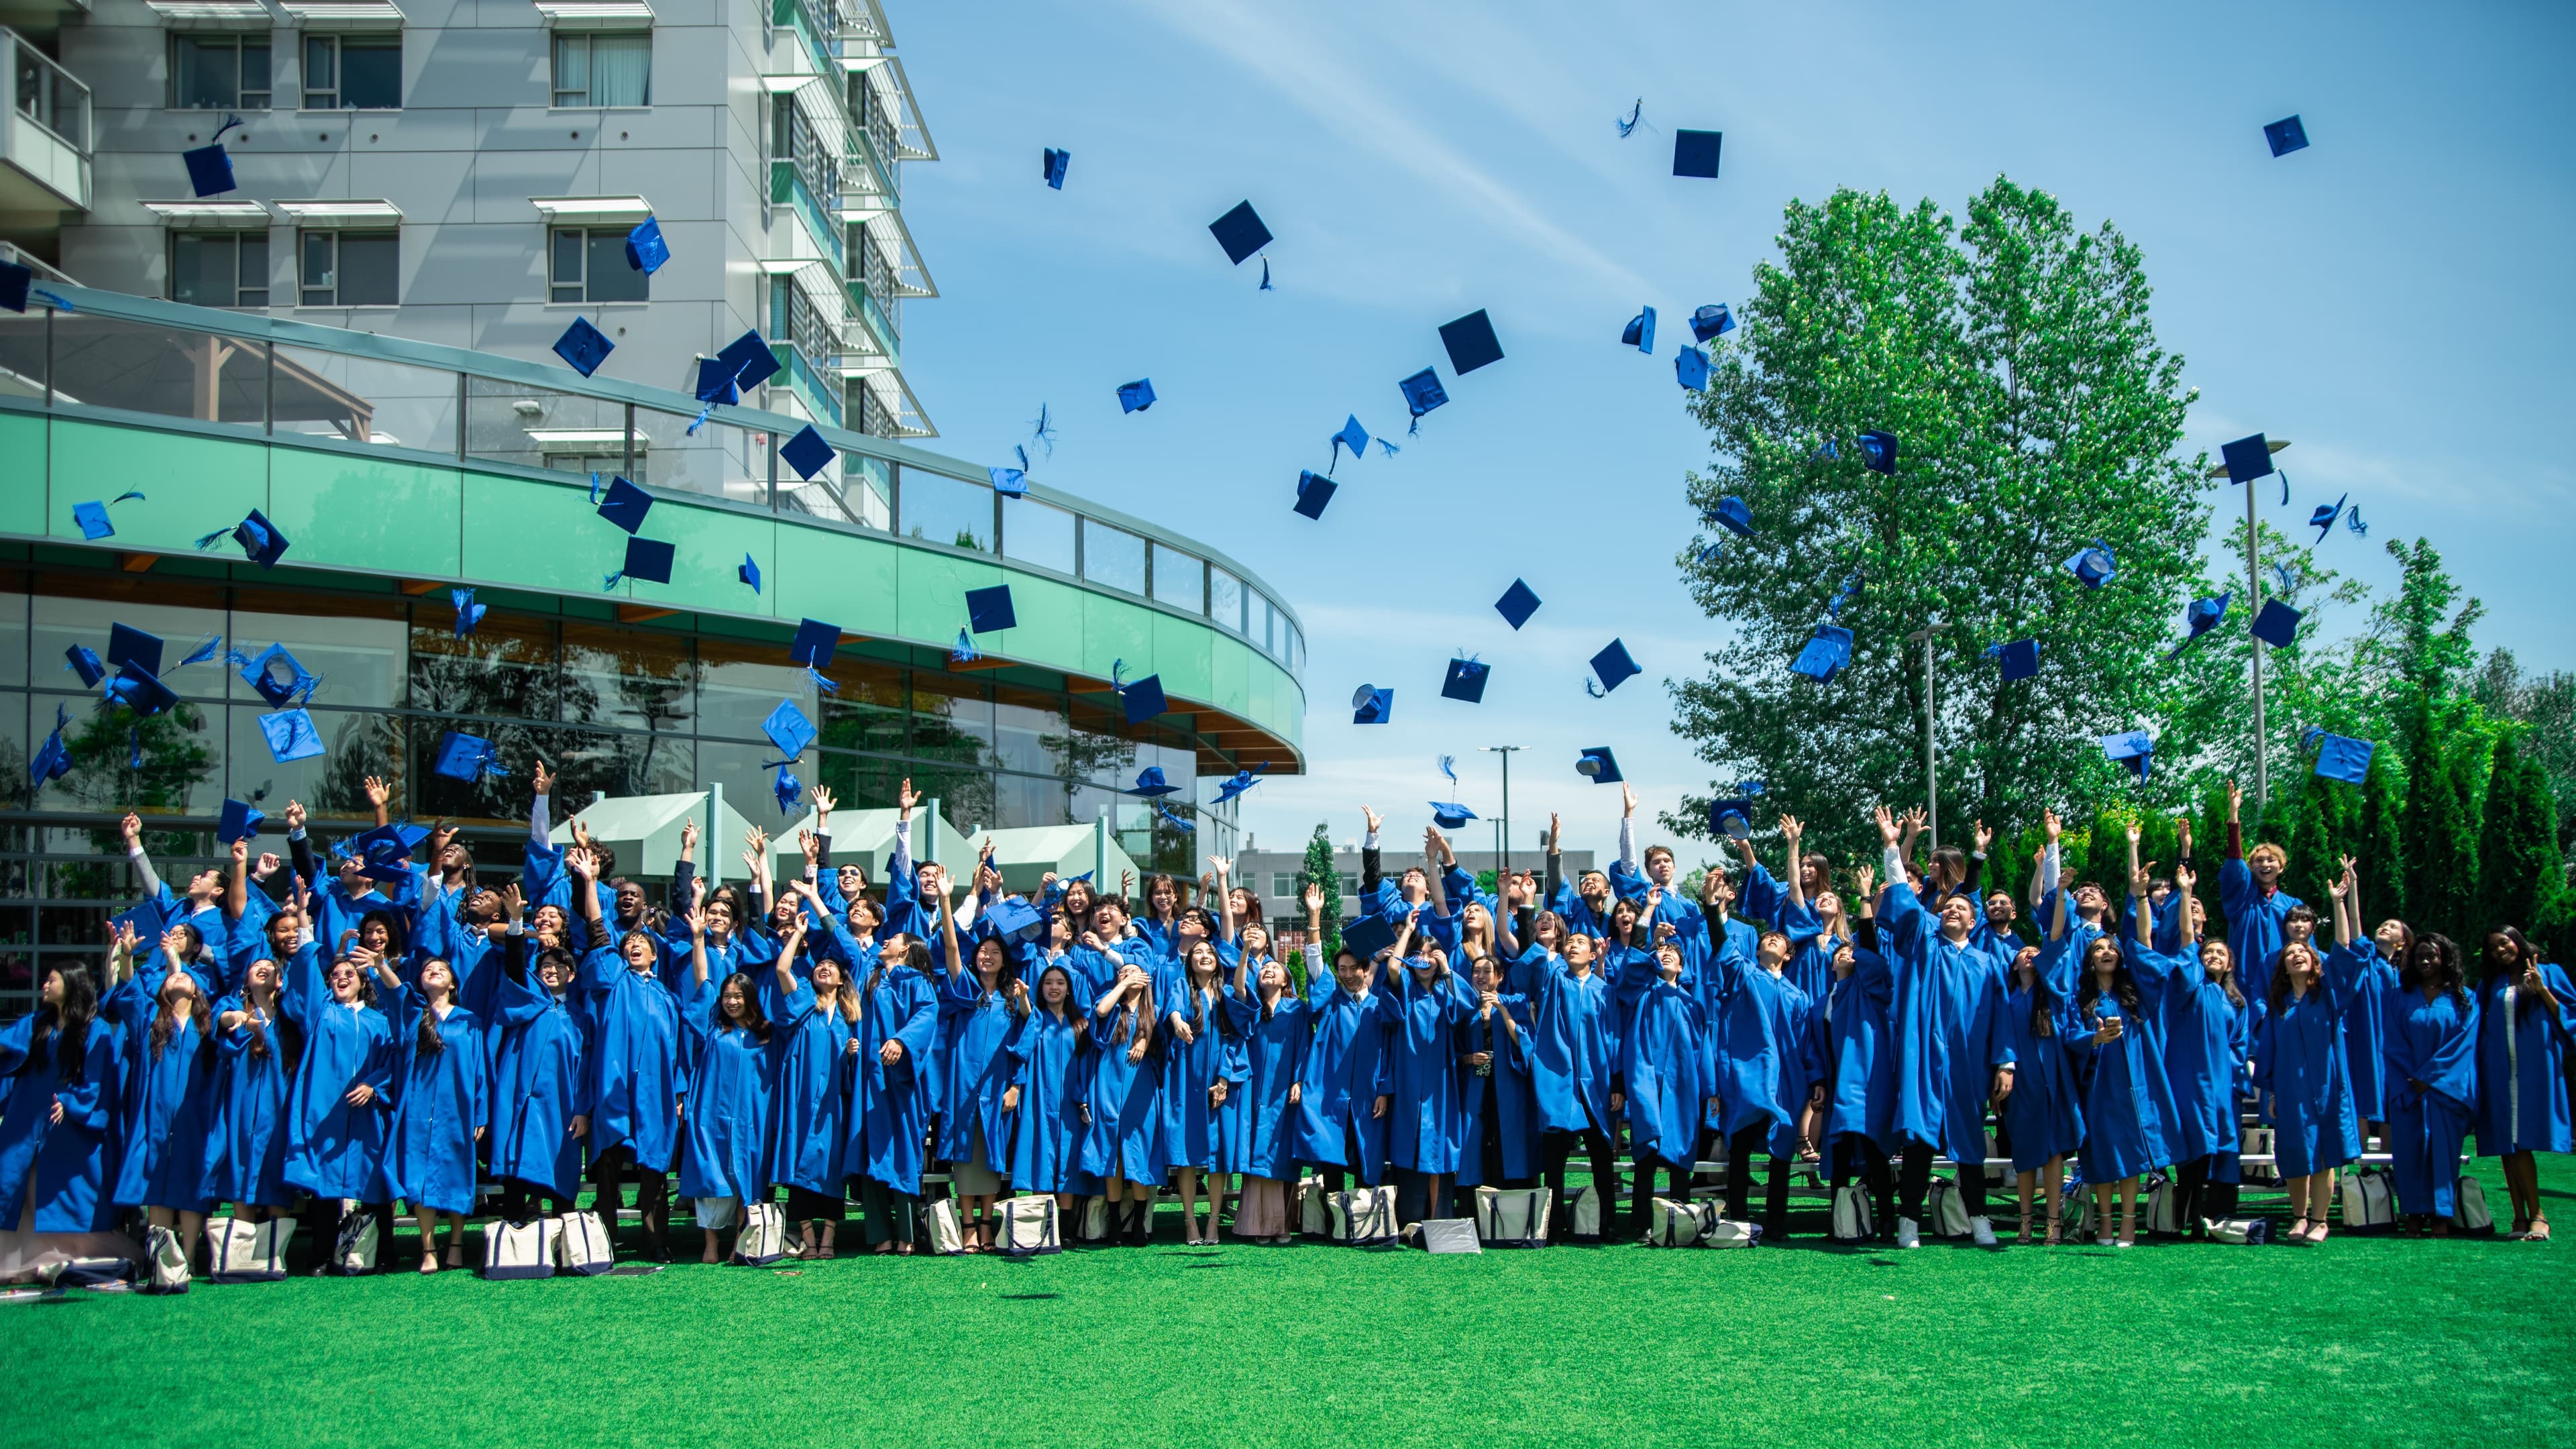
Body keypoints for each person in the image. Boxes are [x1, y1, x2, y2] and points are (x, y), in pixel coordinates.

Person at [1871, 806, 2008, 1248]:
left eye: (1961, 908)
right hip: (1925, 1056)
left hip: (1967, 1063)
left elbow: (2003, 1018)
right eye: (1947, 906)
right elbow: (1904, 899)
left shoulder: (1987, 964)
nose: (1952, 910)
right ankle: (1910, 1221)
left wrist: (2005, 1063)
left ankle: (1981, 1220)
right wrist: (1893, 846)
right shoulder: (1924, 943)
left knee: (1969, 1143)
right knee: (1919, 1137)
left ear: (1974, 920)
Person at [572, 847, 685, 1260]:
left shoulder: (667, 998)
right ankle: (604, 1241)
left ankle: (656, 1241)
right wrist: (589, 881)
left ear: (656, 953)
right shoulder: (612, 979)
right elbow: (599, 929)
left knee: (655, 1166)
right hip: (614, 1088)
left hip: (655, 1091)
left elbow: (676, 1053)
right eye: (631, 942)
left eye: (643, 942)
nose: (635, 945)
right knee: (606, 1166)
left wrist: (678, 1093)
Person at [2257, 859, 2369, 1245]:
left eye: (2303, 953)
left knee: (2323, 1153)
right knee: (2295, 1152)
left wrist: (2339, 902)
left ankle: (2321, 1220)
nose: (2297, 955)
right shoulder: (2280, 1005)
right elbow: (2268, 1052)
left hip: (2327, 1085)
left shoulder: (2330, 996)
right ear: (2284, 967)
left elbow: (2344, 950)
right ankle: (2300, 1216)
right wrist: (2269, 1093)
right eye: (2290, 955)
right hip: (2290, 1089)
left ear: (2314, 962)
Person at [105, 925, 220, 1267]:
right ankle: (159, 1257)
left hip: (195, 1114)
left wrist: (175, 962)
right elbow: (129, 993)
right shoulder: (151, 1023)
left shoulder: (208, 1028)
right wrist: (127, 956)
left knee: (190, 1183)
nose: (178, 979)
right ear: (163, 991)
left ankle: (188, 1258)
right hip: (154, 1116)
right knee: (157, 1183)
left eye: (185, 978)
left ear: (197, 990)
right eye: (172, 979)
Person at [280, 941, 394, 1273]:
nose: (342, 978)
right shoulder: (320, 1013)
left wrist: (373, 1085)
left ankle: (379, 1252)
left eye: (349, 973)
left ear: (363, 981)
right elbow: (303, 982)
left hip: (367, 1112)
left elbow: (392, 1062)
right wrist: (305, 926)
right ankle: (322, 1254)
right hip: (326, 1110)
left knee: (373, 1180)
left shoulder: (379, 1021)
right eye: (335, 975)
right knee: (325, 1184)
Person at [1994, 829, 2083, 1245]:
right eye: (2021, 952)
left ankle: (2053, 1221)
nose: (2028, 953)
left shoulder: (2053, 993)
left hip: (2051, 1080)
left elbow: (2055, 934)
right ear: (2012, 964)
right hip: (2020, 1082)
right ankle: (2026, 1220)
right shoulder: (2007, 999)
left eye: (2034, 952)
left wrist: (2058, 883)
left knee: (2053, 1154)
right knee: (2025, 1153)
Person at [378, 955, 486, 1273]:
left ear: (453, 983)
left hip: (458, 1109)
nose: (434, 971)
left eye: (442, 969)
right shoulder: (413, 1016)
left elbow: (480, 1068)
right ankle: (428, 1249)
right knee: (421, 1178)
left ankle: (455, 1243)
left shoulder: (470, 1021)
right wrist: (382, 966)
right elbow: (397, 993)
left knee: (456, 1175)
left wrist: (480, 1111)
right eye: (428, 969)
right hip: (418, 1109)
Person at [677, 908, 773, 1264]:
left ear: (749, 998)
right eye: (728, 996)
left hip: (749, 1116)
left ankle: (739, 1242)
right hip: (712, 1114)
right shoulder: (713, 1030)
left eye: (738, 995)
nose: (732, 1001)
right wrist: (699, 938)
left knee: (744, 1177)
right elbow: (703, 983)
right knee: (712, 1178)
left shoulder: (764, 1036)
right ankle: (711, 1245)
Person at [488, 886, 589, 1223]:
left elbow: (586, 1068)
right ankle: (515, 1238)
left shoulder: (580, 1016)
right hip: (523, 1099)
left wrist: (583, 1111)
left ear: (571, 975)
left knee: (560, 1167)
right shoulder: (527, 1001)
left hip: (561, 1106)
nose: (551, 970)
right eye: (545, 966)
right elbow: (516, 966)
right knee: (518, 1164)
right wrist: (516, 919)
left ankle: (565, 1241)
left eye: (559, 967)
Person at [0, 954, 121, 1234]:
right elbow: (7, 1045)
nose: (44, 985)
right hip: (29, 1112)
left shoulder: (96, 1029)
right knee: (16, 1176)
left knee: (63, 1186)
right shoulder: (37, 1023)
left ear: (70, 985)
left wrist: (71, 1104)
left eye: (51, 980)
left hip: (69, 1121)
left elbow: (97, 1078)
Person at [938, 883, 1026, 1252]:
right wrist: (946, 900)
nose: (987, 957)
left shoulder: (1012, 999)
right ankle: (968, 1226)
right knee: (965, 1154)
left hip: (997, 1087)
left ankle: (987, 1226)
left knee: (991, 1155)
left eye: (994, 953)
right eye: (983, 953)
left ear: (1004, 961)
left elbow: (1027, 1040)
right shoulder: (966, 991)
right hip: (963, 1085)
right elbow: (952, 948)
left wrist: (1016, 1087)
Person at [2471, 924, 2571, 1242]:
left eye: (2505, 943)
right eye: (2494, 948)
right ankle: (2517, 1216)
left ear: (2519, 942)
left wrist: (2542, 989)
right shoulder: (2490, 985)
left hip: (2534, 1067)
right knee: (2506, 1143)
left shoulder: (2550, 973)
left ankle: (2538, 1216)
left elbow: (2568, 1016)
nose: (2501, 950)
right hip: (2499, 1069)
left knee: (2522, 1142)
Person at [763, 909, 851, 1258]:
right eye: (819, 967)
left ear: (842, 979)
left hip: (835, 1100)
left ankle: (828, 1238)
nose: (824, 968)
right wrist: (798, 935)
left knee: (831, 1163)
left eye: (830, 967)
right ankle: (807, 1239)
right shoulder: (803, 1003)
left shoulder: (850, 1016)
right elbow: (783, 969)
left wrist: (854, 1053)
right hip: (801, 1096)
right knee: (800, 1160)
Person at [1818, 865, 1898, 1240]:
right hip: (1837, 1081)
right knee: (1838, 1149)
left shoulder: (1870, 991)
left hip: (1866, 1079)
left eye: (1852, 953)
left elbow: (1870, 949)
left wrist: (1865, 898)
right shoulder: (1827, 999)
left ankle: (1886, 1218)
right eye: (1841, 953)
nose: (1846, 955)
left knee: (1871, 1146)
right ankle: (1840, 1221)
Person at [848, 925, 938, 1254]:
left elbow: (927, 1017)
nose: (886, 939)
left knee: (901, 1150)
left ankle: (907, 1233)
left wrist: (902, 1040)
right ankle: (879, 1234)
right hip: (869, 1078)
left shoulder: (917, 982)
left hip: (901, 1080)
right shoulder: (869, 980)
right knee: (871, 1147)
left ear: (906, 950)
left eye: (895, 938)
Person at [2384, 928, 2478, 1235]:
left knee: (2444, 1151)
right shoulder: (2400, 997)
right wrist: (2413, 1079)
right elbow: (2392, 1040)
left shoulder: (2463, 997)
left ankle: (2441, 1213)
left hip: (2445, 1089)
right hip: (2408, 1086)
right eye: (2420, 955)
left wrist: (2430, 1078)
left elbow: (2464, 1043)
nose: (2425, 960)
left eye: (2432, 955)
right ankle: (2413, 1211)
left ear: (2445, 958)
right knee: (2409, 1152)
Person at [1622, 936, 1711, 1232]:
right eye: (1661, 951)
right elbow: (1632, 969)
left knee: (1680, 1151)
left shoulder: (1692, 1004)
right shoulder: (1643, 993)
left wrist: (1710, 1089)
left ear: (1683, 967)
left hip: (1682, 1083)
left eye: (1673, 953)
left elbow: (1703, 1049)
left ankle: (1680, 1223)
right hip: (1647, 1079)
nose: (1666, 955)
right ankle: (1641, 1223)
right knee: (1647, 1153)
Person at [1084, 945, 1168, 1245]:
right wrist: (1121, 985)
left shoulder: (1154, 1012)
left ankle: (1140, 1224)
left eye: (1133, 971)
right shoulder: (1113, 1008)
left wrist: (1146, 1039)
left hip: (1140, 1089)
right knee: (1113, 1152)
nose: (1127, 974)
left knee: (1138, 1150)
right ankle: (1116, 1222)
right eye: (1122, 972)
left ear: (1146, 979)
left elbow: (1165, 1047)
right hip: (1108, 1084)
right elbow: (1100, 1011)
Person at [1454, 913, 1538, 1205]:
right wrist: (1467, 1059)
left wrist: (1502, 1010)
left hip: (1508, 1086)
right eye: (1476, 972)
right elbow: (1454, 1052)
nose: (1480, 976)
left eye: (1487, 971)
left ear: (1500, 977)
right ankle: (1475, 1206)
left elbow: (1525, 1044)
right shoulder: (1465, 1009)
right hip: (1476, 1086)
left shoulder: (1514, 1003)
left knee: (1508, 1139)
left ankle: (1512, 1206)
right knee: (1476, 1141)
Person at [209, 954, 295, 1223]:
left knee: (276, 1164)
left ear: (280, 981)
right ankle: (243, 1245)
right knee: (241, 1163)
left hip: (279, 1105)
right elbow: (220, 1019)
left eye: (270, 967)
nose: (262, 968)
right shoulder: (235, 1007)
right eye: (256, 966)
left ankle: (275, 1249)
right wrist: (235, 1017)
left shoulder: (290, 1018)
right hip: (241, 1103)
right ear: (245, 979)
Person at [1161, 930, 1233, 1245]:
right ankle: (1190, 1222)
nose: (1204, 955)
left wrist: (1223, 1080)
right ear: (1189, 962)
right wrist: (1177, 1023)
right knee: (1187, 1154)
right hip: (1186, 1079)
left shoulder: (1226, 994)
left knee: (1215, 1155)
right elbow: (1174, 1010)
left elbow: (1234, 1039)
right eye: (1197, 952)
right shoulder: (1181, 986)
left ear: (1217, 963)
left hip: (1217, 1080)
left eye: (1210, 953)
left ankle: (1214, 1222)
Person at [1007, 956, 1091, 1220]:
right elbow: (1025, 1021)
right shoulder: (1036, 1019)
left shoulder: (1081, 1024)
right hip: (1039, 1095)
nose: (1054, 987)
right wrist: (1023, 997)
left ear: (1069, 988)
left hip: (1071, 1098)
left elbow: (1087, 1065)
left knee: (1068, 1155)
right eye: (1048, 983)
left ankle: (1065, 1225)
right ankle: (1041, 1223)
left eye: (1060, 983)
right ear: (1041, 987)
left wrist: (1084, 1097)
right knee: (1040, 1150)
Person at [2220, 780, 2306, 1006]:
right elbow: (2235, 862)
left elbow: (2307, 947)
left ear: (2282, 867)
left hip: (2285, 984)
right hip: (2245, 982)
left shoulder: (2292, 905)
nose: (2265, 864)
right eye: (2259, 860)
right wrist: (2234, 814)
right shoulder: (2243, 901)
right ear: (2251, 867)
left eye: (2271, 860)